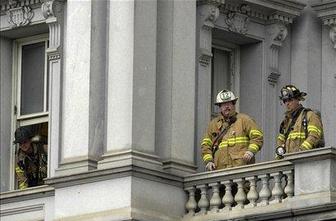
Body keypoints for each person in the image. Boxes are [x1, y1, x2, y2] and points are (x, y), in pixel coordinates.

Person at [201, 90, 263, 171]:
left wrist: (250, 152)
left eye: (229, 103)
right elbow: (205, 145)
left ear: (233, 104)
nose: (226, 106)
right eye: (223, 104)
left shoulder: (244, 120)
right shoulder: (213, 125)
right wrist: (209, 161)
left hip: (241, 169)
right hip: (219, 171)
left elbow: (257, 137)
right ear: (220, 106)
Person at [275, 85, 324, 159]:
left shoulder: (309, 115)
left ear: (298, 100)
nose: (287, 103)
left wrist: (301, 152)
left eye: (290, 100)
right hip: (289, 165)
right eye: (285, 101)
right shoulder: (285, 122)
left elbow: (314, 136)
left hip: (306, 162)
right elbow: (280, 142)